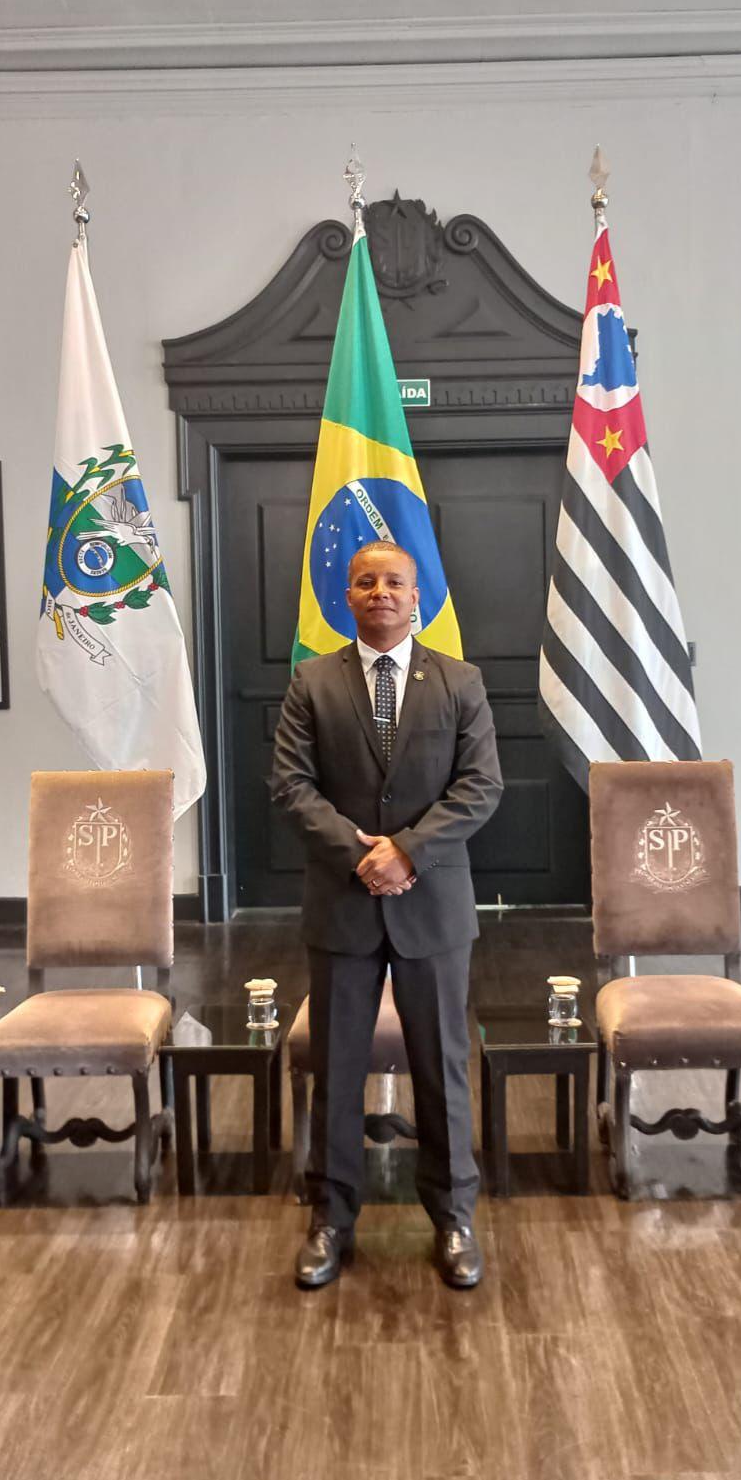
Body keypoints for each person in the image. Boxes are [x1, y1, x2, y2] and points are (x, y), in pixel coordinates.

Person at [271, 540, 503, 1289]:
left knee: (443, 1068)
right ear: (347, 596)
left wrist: (406, 852)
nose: (380, 592)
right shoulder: (311, 682)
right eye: (365, 581)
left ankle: (455, 1218)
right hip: (342, 905)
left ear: (418, 597)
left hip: (431, 904)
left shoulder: (460, 682)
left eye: (394, 582)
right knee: (337, 1070)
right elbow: (290, 785)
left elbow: (480, 787)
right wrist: (360, 855)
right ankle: (331, 1219)